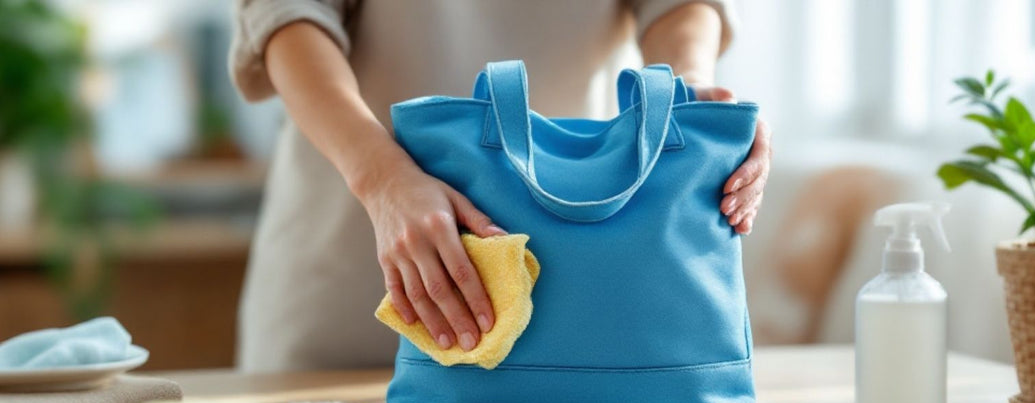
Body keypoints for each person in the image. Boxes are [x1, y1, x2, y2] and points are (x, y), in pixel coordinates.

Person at [230, 0, 772, 372]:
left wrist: (691, 96)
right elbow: (288, 18)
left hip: (578, 282)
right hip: (347, 277)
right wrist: (384, 182)